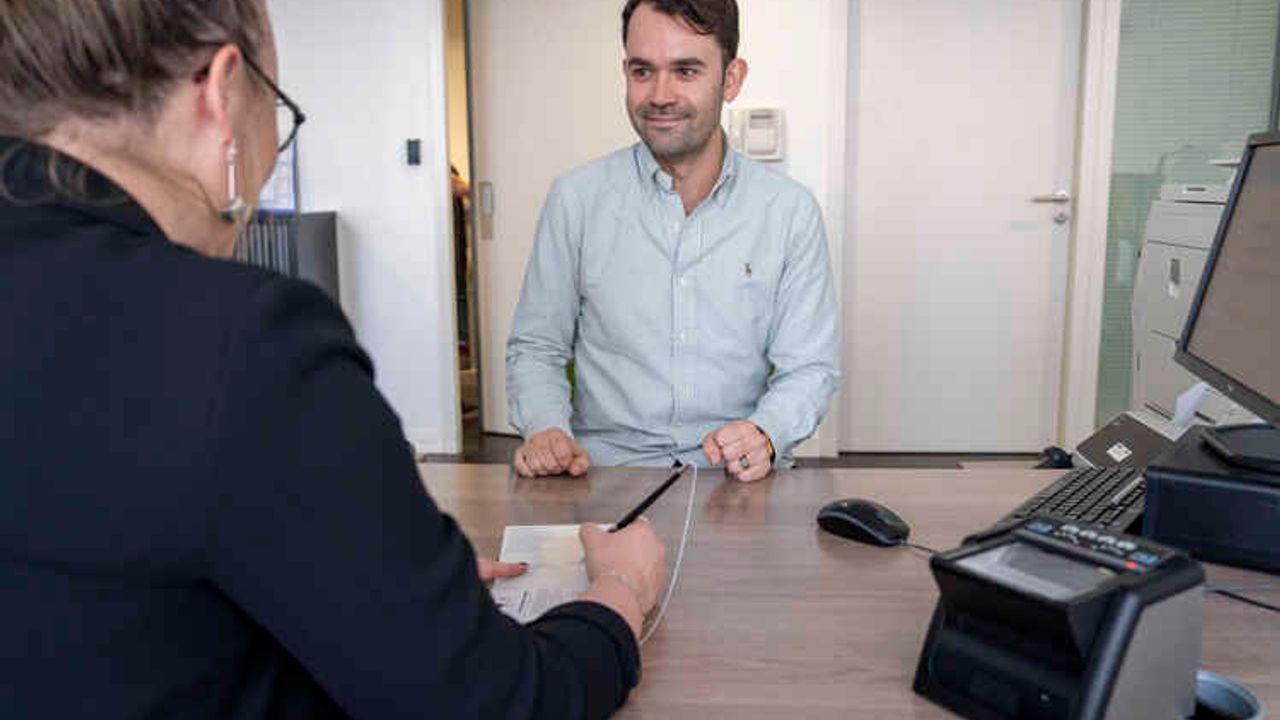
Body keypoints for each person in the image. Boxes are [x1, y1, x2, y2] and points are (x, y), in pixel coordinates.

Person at [0, 2, 665, 718]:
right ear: (224, 93)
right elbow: (500, 702)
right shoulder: (244, 340)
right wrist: (618, 592)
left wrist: (370, 580)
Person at [507, 0, 839, 482]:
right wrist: (546, 429)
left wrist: (766, 431)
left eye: (686, 70)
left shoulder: (789, 213)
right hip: (600, 475)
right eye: (643, 70)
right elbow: (536, 347)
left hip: (736, 476)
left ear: (731, 78)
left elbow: (810, 367)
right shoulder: (575, 200)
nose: (660, 95)